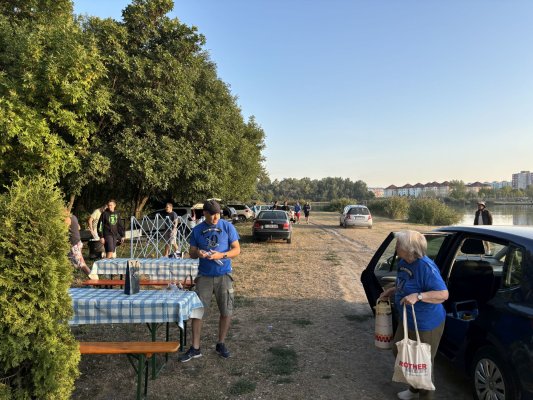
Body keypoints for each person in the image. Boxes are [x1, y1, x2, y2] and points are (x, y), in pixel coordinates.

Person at [378, 230, 448, 400]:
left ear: (410, 249)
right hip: (407, 317)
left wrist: (419, 296)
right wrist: (392, 290)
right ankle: (414, 388)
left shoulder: (426, 267)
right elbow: (404, 282)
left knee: (422, 362)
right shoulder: (403, 262)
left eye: (399, 245)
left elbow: (443, 294)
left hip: (426, 323)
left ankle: (425, 396)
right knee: (399, 350)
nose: (396, 247)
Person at [179, 199, 240, 362]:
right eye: (212, 214)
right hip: (204, 276)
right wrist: (199, 253)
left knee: (226, 311)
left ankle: (221, 343)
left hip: (224, 275)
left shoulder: (228, 227)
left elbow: (237, 249)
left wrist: (221, 255)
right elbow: (191, 252)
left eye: (218, 214)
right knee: (198, 312)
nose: (215, 217)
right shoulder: (198, 229)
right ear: (204, 213)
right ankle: (195, 347)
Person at [65, 210, 91, 275]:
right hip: (77, 242)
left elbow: (63, 230)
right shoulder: (73, 217)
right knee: (69, 263)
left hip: (74, 244)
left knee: (82, 264)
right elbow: (79, 227)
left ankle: (94, 280)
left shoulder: (67, 218)